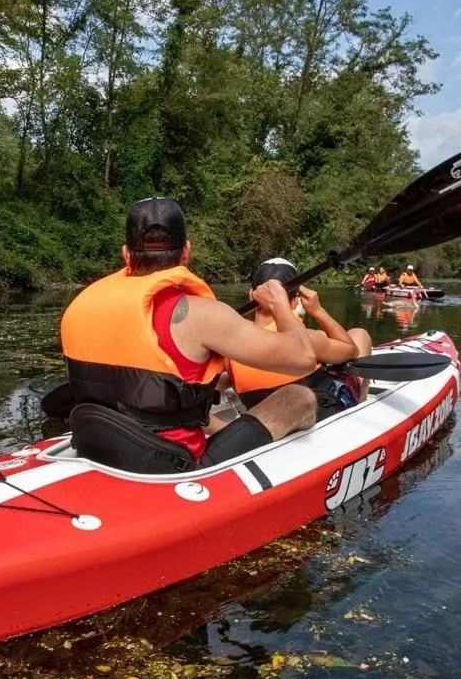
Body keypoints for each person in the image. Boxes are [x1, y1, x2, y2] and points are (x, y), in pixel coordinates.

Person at [60, 197, 322, 472]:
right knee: (298, 397)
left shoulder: (81, 305)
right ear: (186, 252)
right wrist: (281, 304)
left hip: (95, 447)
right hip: (169, 466)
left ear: (126, 254)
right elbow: (303, 358)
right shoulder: (202, 315)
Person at [226, 258, 371, 418]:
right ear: (295, 302)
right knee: (359, 334)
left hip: (265, 418)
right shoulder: (307, 339)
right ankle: (361, 403)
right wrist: (318, 311)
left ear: (250, 295)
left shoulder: (229, 343)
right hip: (316, 414)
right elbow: (351, 350)